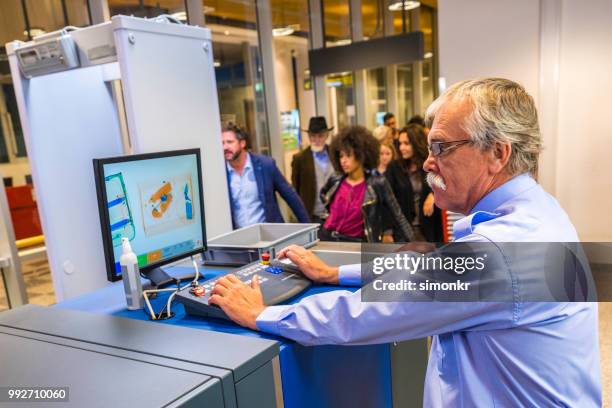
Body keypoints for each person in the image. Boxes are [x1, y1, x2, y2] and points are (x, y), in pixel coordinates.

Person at [210, 79, 601, 406]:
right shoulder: (537, 211)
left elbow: (365, 314)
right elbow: (435, 270)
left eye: (441, 148)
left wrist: (262, 314)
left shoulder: (502, 251)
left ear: (497, 153)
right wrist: (336, 273)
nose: (429, 163)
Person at [318, 126, 413, 242]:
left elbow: (398, 216)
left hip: (358, 244)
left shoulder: (377, 183)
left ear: (360, 155)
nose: (343, 160)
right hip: (328, 238)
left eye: (348, 155)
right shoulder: (336, 179)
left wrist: (414, 245)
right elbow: (323, 195)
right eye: (341, 156)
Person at [222, 122, 309, 228]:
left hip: (270, 236)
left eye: (230, 142)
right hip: (241, 240)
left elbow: (290, 196)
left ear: (242, 143)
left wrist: (308, 226)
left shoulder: (265, 165)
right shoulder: (220, 173)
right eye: (222, 143)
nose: (225, 147)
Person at [385, 124, 444, 242]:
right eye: (400, 143)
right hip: (403, 232)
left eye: (406, 143)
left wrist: (433, 194)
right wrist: (388, 232)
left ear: (416, 143)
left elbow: (445, 182)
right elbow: (387, 202)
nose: (402, 148)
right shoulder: (394, 167)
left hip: (428, 230)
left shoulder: (429, 165)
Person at [291, 117, 336, 224]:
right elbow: (296, 186)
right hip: (312, 214)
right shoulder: (300, 158)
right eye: (313, 136)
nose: (316, 140)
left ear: (327, 135)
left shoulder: (335, 154)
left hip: (336, 214)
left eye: (320, 136)